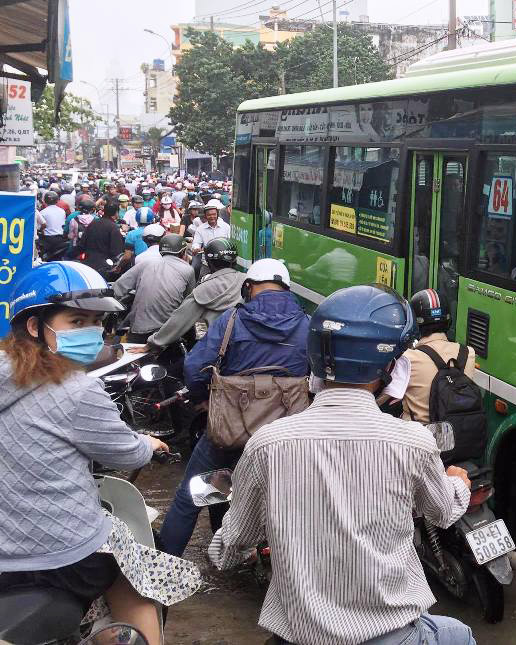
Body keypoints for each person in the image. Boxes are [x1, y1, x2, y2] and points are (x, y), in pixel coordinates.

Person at [208, 284, 476, 645]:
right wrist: (458, 483)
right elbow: (443, 513)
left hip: (299, 636)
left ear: (317, 358)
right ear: (392, 368)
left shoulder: (267, 445)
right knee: (459, 635)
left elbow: (231, 547)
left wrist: (225, 541)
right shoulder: (414, 442)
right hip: (395, 634)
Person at [0, 262, 201, 645]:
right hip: (58, 557)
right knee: (135, 572)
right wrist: (148, 444)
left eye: (95, 322)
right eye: (77, 321)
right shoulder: (77, 391)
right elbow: (126, 453)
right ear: (34, 325)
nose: (90, 332)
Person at [159, 258, 309, 557]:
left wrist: (204, 398)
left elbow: (196, 367)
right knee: (295, 503)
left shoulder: (231, 320)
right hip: (285, 439)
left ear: (248, 287)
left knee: (191, 498)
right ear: (286, 288)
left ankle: (161, 569)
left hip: (230, 435)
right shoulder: (307, 325)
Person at [140, 239, 246, 353]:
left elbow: (179, 320)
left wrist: (154, 342)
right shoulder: (247, 280)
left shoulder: (203, 289)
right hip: (246, 346)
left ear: (209, 262)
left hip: (214, 349)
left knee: (188, 368)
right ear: (234, 260)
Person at [402, 288, 476, 423]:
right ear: (448, 320)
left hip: (419, 438)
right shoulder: (468, 353)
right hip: (458, 437)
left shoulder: (408, 358)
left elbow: (384, 397)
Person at [113, 234, 196, 344]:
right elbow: (187, 301)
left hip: (139, 329)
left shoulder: (145, 263)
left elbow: (118, 287)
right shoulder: (188, 270)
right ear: (182, 252)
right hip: (166, 332)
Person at [77, 201, 124, 276]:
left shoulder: (93, 223)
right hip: (105, 267)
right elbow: (116, 251)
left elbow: (82, 243)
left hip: (87, 263)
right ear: (116, 213)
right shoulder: (113, 228)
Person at [192, 201, 232, 278]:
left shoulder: (226, 227)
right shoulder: (200, 229)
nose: (212, 217)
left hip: (224, 262)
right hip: (207, 263)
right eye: (209, 215)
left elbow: (230, 242)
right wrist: (196, 248)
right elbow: (196, 243)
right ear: (205, 216)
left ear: (217, 215)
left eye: (214, 214)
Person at [38, 190, 67, 260]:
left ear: (45, 201)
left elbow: (39, 227)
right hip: (60, 239)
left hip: (47, 240)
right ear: (57, 201)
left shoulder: (42, 212)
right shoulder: (62, 211)